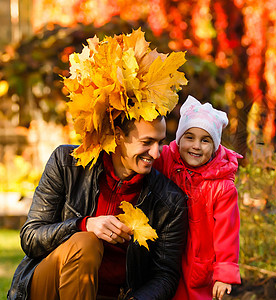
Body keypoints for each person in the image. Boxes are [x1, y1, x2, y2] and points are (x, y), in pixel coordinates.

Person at [7, 29, 188, 300]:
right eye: (147, 142)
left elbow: (165, 274)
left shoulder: (169, 202)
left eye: (161, 142)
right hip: (48, 288)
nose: (157, 152)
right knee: (86, 243)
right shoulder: (67, 165)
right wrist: (83, 225)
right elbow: (31, 238)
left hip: (113, 295)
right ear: (118, 137)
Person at [153, 95, 242, 300]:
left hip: (198, 262)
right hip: (166, 251)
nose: (196, 146)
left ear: (215, 146)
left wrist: (224, 273)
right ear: (179, 138)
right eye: (189, 137)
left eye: (205, 140)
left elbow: (227, 233)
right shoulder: (167, 160)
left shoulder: (222, 187)